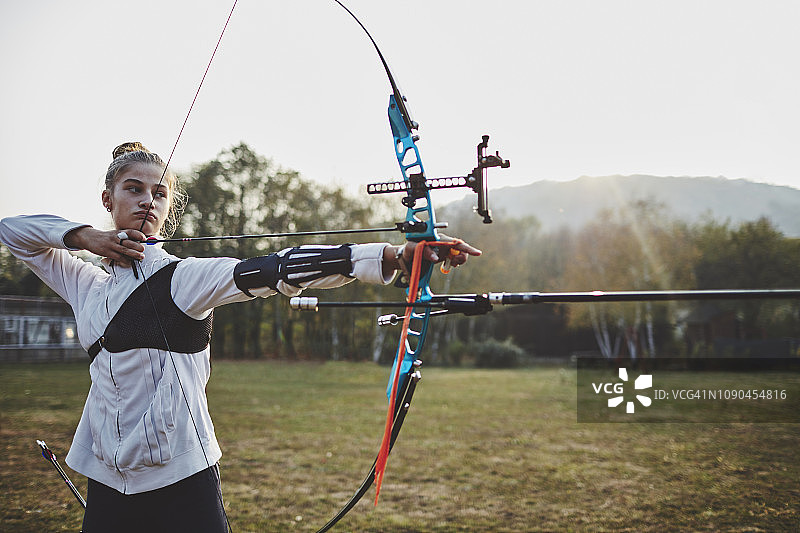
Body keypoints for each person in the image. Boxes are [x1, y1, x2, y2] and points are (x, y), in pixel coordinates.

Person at [0, 142, 479, 533]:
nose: (148, 200)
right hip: (106, 473)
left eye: (159, 193)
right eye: (133, 189)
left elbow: (273, 269)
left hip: (181, 476)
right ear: (109, 199)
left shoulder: (182, 278)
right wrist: (84, 237)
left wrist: (393, 255)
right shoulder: (85, 283)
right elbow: (13, 230)